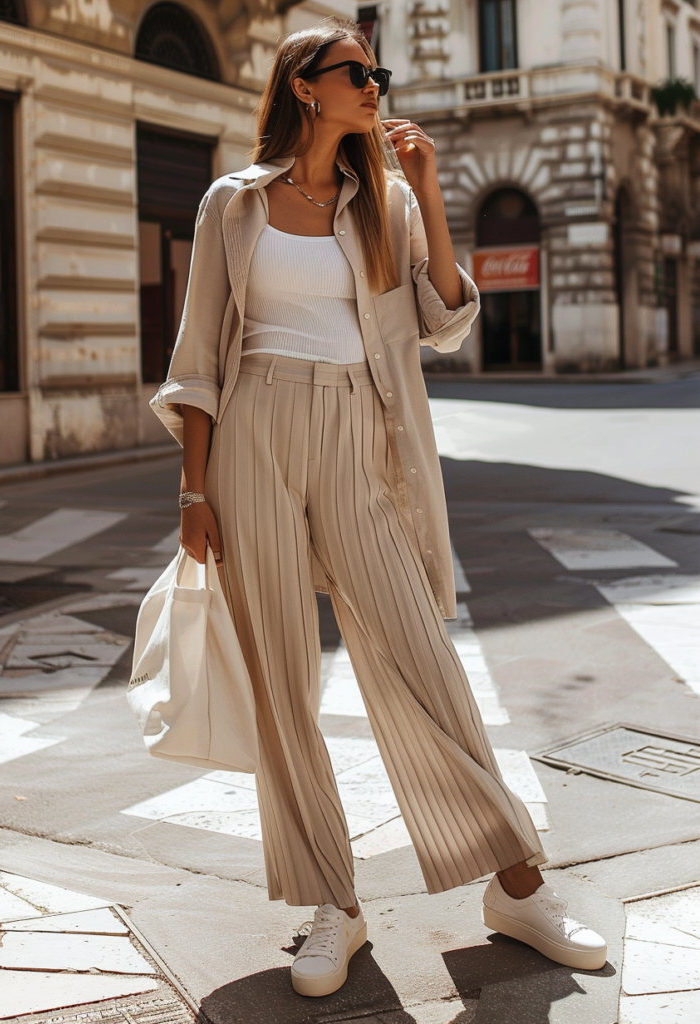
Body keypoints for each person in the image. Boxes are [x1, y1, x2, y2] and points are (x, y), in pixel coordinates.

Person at [151, 16, 608, 999]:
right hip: (253, 436)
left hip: (358, 435)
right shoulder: (234, 205)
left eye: (377, 70)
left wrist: (432, 194)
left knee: (417, 657)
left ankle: (516, 886)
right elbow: (197, 360)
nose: (375, 84)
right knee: (280, 679)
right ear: (304, 86)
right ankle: (336, 905)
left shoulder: (385, 203)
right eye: (357, 71)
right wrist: (194, 487)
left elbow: (446, 314)